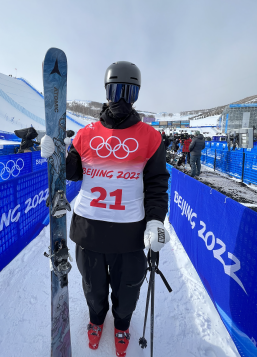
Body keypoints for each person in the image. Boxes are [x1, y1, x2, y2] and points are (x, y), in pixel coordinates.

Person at [41, 61, 170, 357]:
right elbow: (72, 171)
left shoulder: (150, 138)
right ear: (107, 92)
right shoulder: (87, 134)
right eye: (116, 91)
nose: (122, 99)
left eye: (129, 92)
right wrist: (56, 154)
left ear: (136, 96)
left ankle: (121, 324)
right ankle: (97, 320)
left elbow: (157, 184)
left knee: (127, 292)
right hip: (90, 231)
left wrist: (155, 222)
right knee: (93, 288)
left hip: (130, 234)